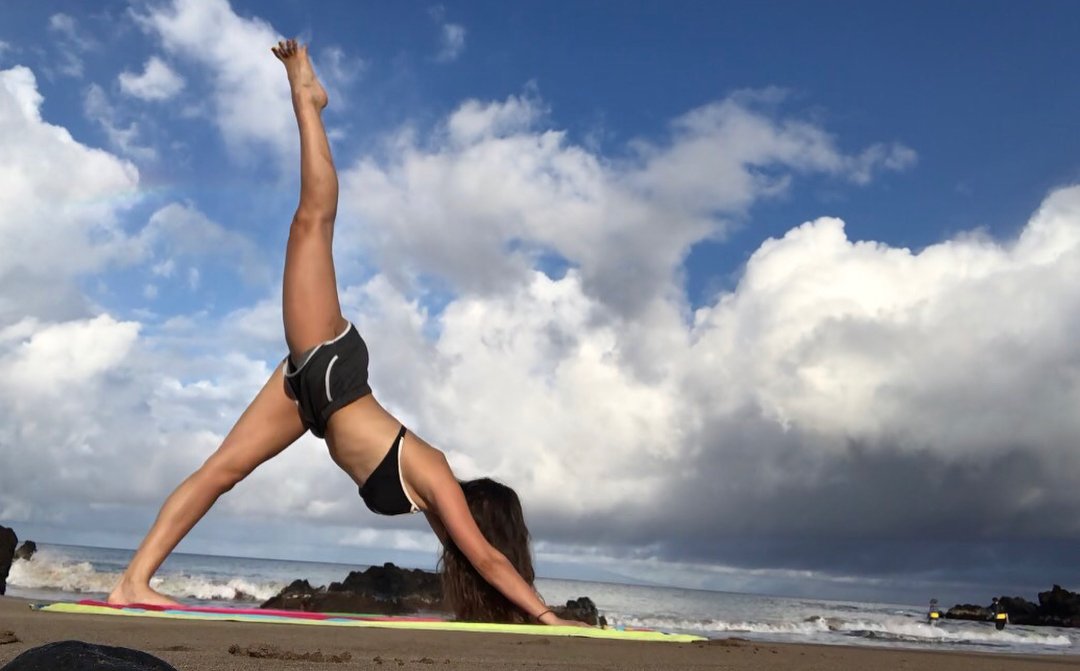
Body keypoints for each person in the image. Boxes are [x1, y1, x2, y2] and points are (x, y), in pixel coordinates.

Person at [108, 39, 583, 628]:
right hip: (332, 369)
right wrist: (547, 616)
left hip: (312, 401)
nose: (467, 538)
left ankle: (131, 583)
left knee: (222, 471)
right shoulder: (435, 473)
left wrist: (522, 614)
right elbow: (487, 558)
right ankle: (307, 101)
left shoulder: (436, 507)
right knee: (313, 220)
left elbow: (480, 560)